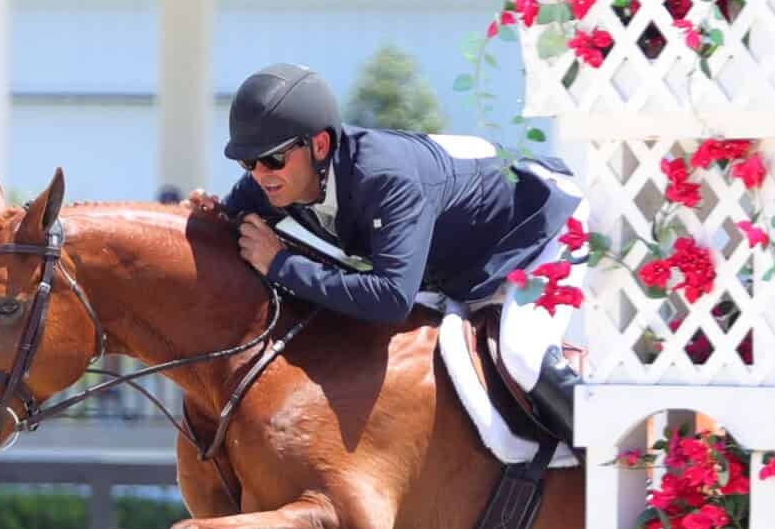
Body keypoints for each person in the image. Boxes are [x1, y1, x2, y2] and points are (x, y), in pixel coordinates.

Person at [204, 62, 586, 436]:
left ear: (319, 145)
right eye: (247, 161)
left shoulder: (386, 181)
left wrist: (282, 265)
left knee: (523, 353)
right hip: (463, 264)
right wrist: (203, 215)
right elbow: (225, 220)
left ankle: (605, 468)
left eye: (273, 158)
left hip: (540, 225)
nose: (259, 174)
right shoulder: (272, 181)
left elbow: (390, 298)